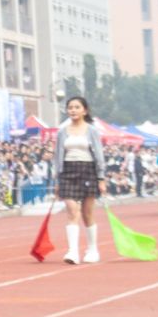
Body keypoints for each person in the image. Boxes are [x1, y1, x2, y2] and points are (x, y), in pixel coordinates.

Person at [52, 96, 106, 263]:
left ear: (84, 110)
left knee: (87, 213)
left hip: (88, 171)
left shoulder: (92, 130)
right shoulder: (62, 132)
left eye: (77, 107)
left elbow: (99, 154)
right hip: (68, 172)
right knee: (71, 210)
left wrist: (101, 178)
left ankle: (92, 249)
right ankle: (72, 252)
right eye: (70, 107)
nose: (73, 110)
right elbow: (58, 156)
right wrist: (57, 180)